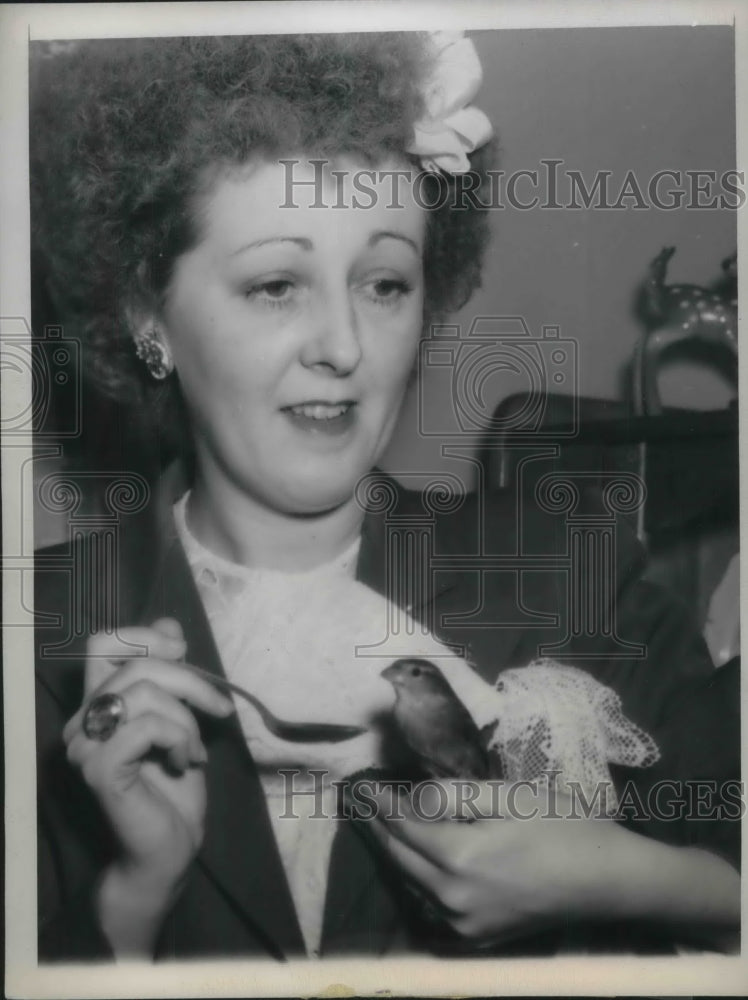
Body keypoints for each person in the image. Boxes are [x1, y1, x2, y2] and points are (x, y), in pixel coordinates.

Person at [31, 31, 740, 963]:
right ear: (146, 314)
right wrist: (130, 897)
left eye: (385, 283)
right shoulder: (35, 633)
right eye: (277, 284)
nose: (346, 345)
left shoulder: (576, 572)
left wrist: (617, 875)